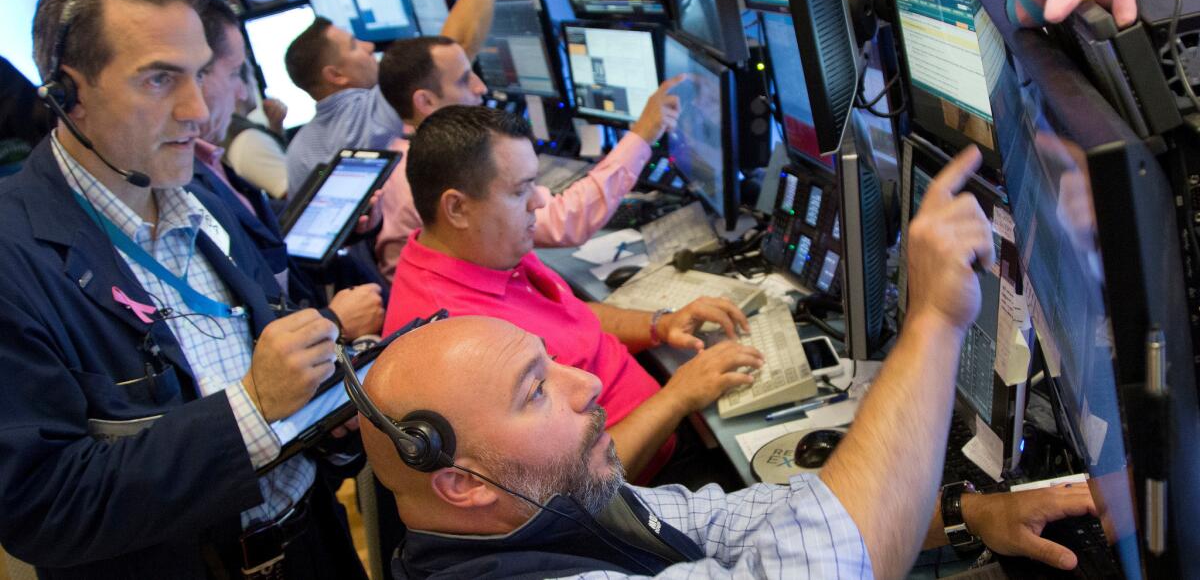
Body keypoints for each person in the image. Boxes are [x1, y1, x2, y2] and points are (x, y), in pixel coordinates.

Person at [359, 147, 1099, 578]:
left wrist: (971, 514)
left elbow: (736, 520)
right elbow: (815, 562)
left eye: (550, 364)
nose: (585, 384)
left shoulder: (549, 499)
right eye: (535, 391)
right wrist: (936, 317)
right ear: (458, 481)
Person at [0, 0, 366, 579]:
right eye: (159, 80)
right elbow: (43, 505)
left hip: (313, 546)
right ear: (69, 94)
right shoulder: (15, 257)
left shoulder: (201, 190)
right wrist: (253, 408)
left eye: (199, 74)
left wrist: (331, 419)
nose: (198, 108)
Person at [384, 106, 761, 480]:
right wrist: (678, 397)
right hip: (640, 485)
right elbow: (573, 485)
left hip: (661, 426)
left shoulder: (485, 249)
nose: (541, 201)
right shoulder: (457, 342)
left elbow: (571, 314)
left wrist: (660, 324)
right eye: (520, 191)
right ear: (457, 208)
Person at [372, 39, 685, 277]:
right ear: (425, 101)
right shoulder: (434, 171)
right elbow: (566, 222)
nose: (481, 88)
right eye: (465, 80)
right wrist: (643, 133)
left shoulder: (402, 154)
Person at [192, 0, 384, 339]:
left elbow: (271, 260)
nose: (241, 93)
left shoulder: (212, 163)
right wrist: (333, 321)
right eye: (236, 74)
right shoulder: (190, 177)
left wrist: (344, 229)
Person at [283, 0, 511, 193]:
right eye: (354, 46)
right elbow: (454, 48)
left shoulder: (300, 148)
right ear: (336, 75)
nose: (368, 46)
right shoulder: (361, 123)